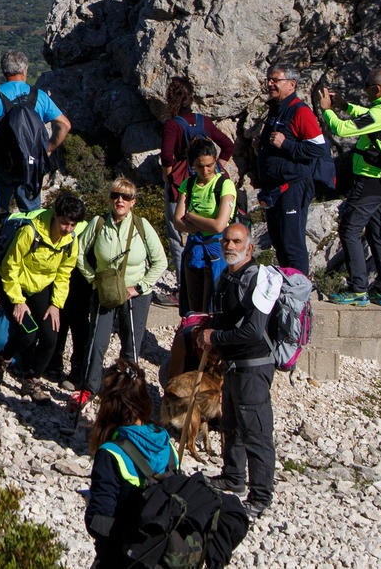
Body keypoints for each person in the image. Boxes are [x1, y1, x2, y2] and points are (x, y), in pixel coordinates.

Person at [62, 177, 167, 405]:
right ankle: (90, 387)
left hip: (136, 294)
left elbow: (160, 261)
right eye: (116, 196)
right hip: (105, 291)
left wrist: (139, 287)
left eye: (126, 197)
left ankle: (126, 392)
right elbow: (78, 252)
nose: (120, 200)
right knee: (97, 341)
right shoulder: (99, 223)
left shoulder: (142, 225)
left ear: (133, 202)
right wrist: (93, 279)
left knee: (131, 344)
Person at [199, 223, 278, 518]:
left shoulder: (256, 280)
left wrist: (215, 338)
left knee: (256, 432)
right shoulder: (228, 277)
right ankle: (233, 476)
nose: (230, 246)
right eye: (226, 241)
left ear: (250, 248)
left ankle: (261, 496)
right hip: (232, 366)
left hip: (254, 366)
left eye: (236, 241)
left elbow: (254, 331)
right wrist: (208, 332)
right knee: (231, 425)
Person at [317, 67, 381, 306]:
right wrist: (344, 106)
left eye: (366, 86)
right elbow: (367, 114)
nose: (364, 90)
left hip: (370, 181)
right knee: (378, 233)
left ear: (377, 88)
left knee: (349, 230)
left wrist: (326, 111)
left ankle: (357, 289)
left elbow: (343, 129)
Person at [83, 361, 180, 569]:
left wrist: (90, 503)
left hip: (125, 556)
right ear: (143, 400)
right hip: (163, 553)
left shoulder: (111, 453)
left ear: (109, 407)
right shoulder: (166, 444)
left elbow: (99, 522)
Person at [0, 189, 84, 398]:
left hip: (40, 288)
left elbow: (64, 273)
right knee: (27, 334)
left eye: (72, 225)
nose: (67, 229)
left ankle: (31, 380)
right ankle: (1, 361)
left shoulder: (70, 240)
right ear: (55, 215)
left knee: (50, 338)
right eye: (64, 222)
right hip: (13, 284)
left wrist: (56, 305)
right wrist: (17, 301)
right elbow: (10, 266)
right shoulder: (31, 232)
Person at [157, 77, 237, 299]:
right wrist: (217, 166)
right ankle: (215, 284)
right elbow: (228, 145)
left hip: (182, 182)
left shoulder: (173, 124)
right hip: (210, 186)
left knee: (178, 236)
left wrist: (168, 177)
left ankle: (185, 289)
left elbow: (166, 155)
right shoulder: (203, 121)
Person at [257, 64, 331, 274]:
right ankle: (288, 292)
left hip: (293, 186)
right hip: (273, 187)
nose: (270, 84)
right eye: (269, 80)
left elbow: (318, 148)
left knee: (292, 243)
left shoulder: (300, 111)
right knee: (279, 242)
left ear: (291, 84)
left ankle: (300, 298)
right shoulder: (276, 108)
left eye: (275, 80)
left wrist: (286, 144)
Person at [0, 51, 71, 211]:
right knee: (31, 215)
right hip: (31, 164)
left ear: (3, 71)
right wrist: (49, 149)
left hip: (0, 163)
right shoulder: (38, 95)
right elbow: (64, 125)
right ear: (25, 70)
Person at [174, 143, 236, 315]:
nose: (206, 170)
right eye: (200, 166)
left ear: (215, 161)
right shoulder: (188, 184)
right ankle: (193, 339)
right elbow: (177, 222)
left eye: (210, 165)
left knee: (213, 305)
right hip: (194, 250)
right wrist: (205, 223)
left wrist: (192, 216)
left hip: (216, 251)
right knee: (193, 308)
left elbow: (219, 225)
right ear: (193, 165)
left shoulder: (225, 185)